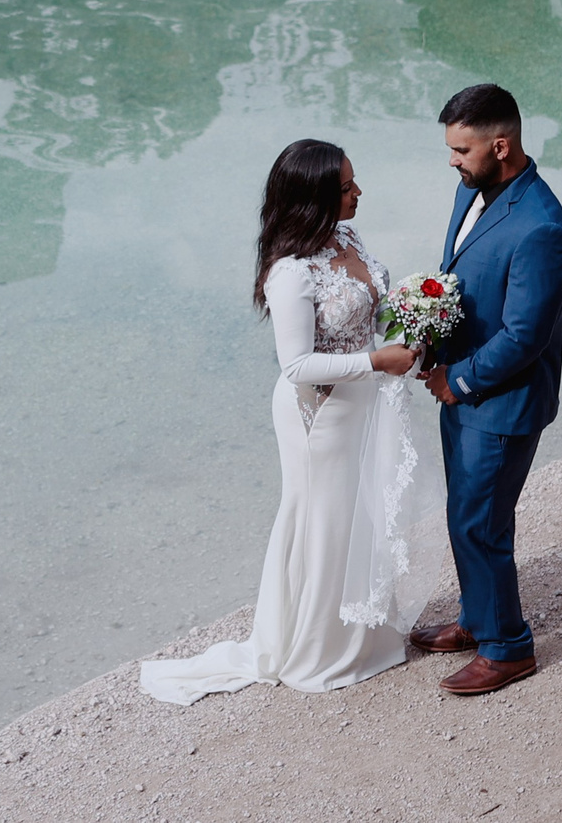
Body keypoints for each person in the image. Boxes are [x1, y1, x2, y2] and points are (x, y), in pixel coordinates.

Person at [139, 140, 440, 705]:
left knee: (361, 513)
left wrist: (413, 321)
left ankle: (366, 632)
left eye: (353, 182)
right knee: (322, 518)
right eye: (345, 188)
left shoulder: (347, 238)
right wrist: (378, 361)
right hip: (318, 412)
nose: (358, 193)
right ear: (312, 200)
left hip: (363, 402)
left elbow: (369, 310)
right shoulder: (290, 273)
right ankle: (317, 648)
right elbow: (297, 366)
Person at [410, 83, 562, 695]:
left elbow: (525, 336)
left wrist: (458, 381)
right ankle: (477, 619)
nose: (451, 162)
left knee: (481, 525)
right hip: (460, 390)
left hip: (500, 402)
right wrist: (429, 331)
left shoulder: (541, 228)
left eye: (461, 150)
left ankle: (508, 648)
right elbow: (460, 275)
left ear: (500, 146)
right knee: (465, 515)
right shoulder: (471, 188)